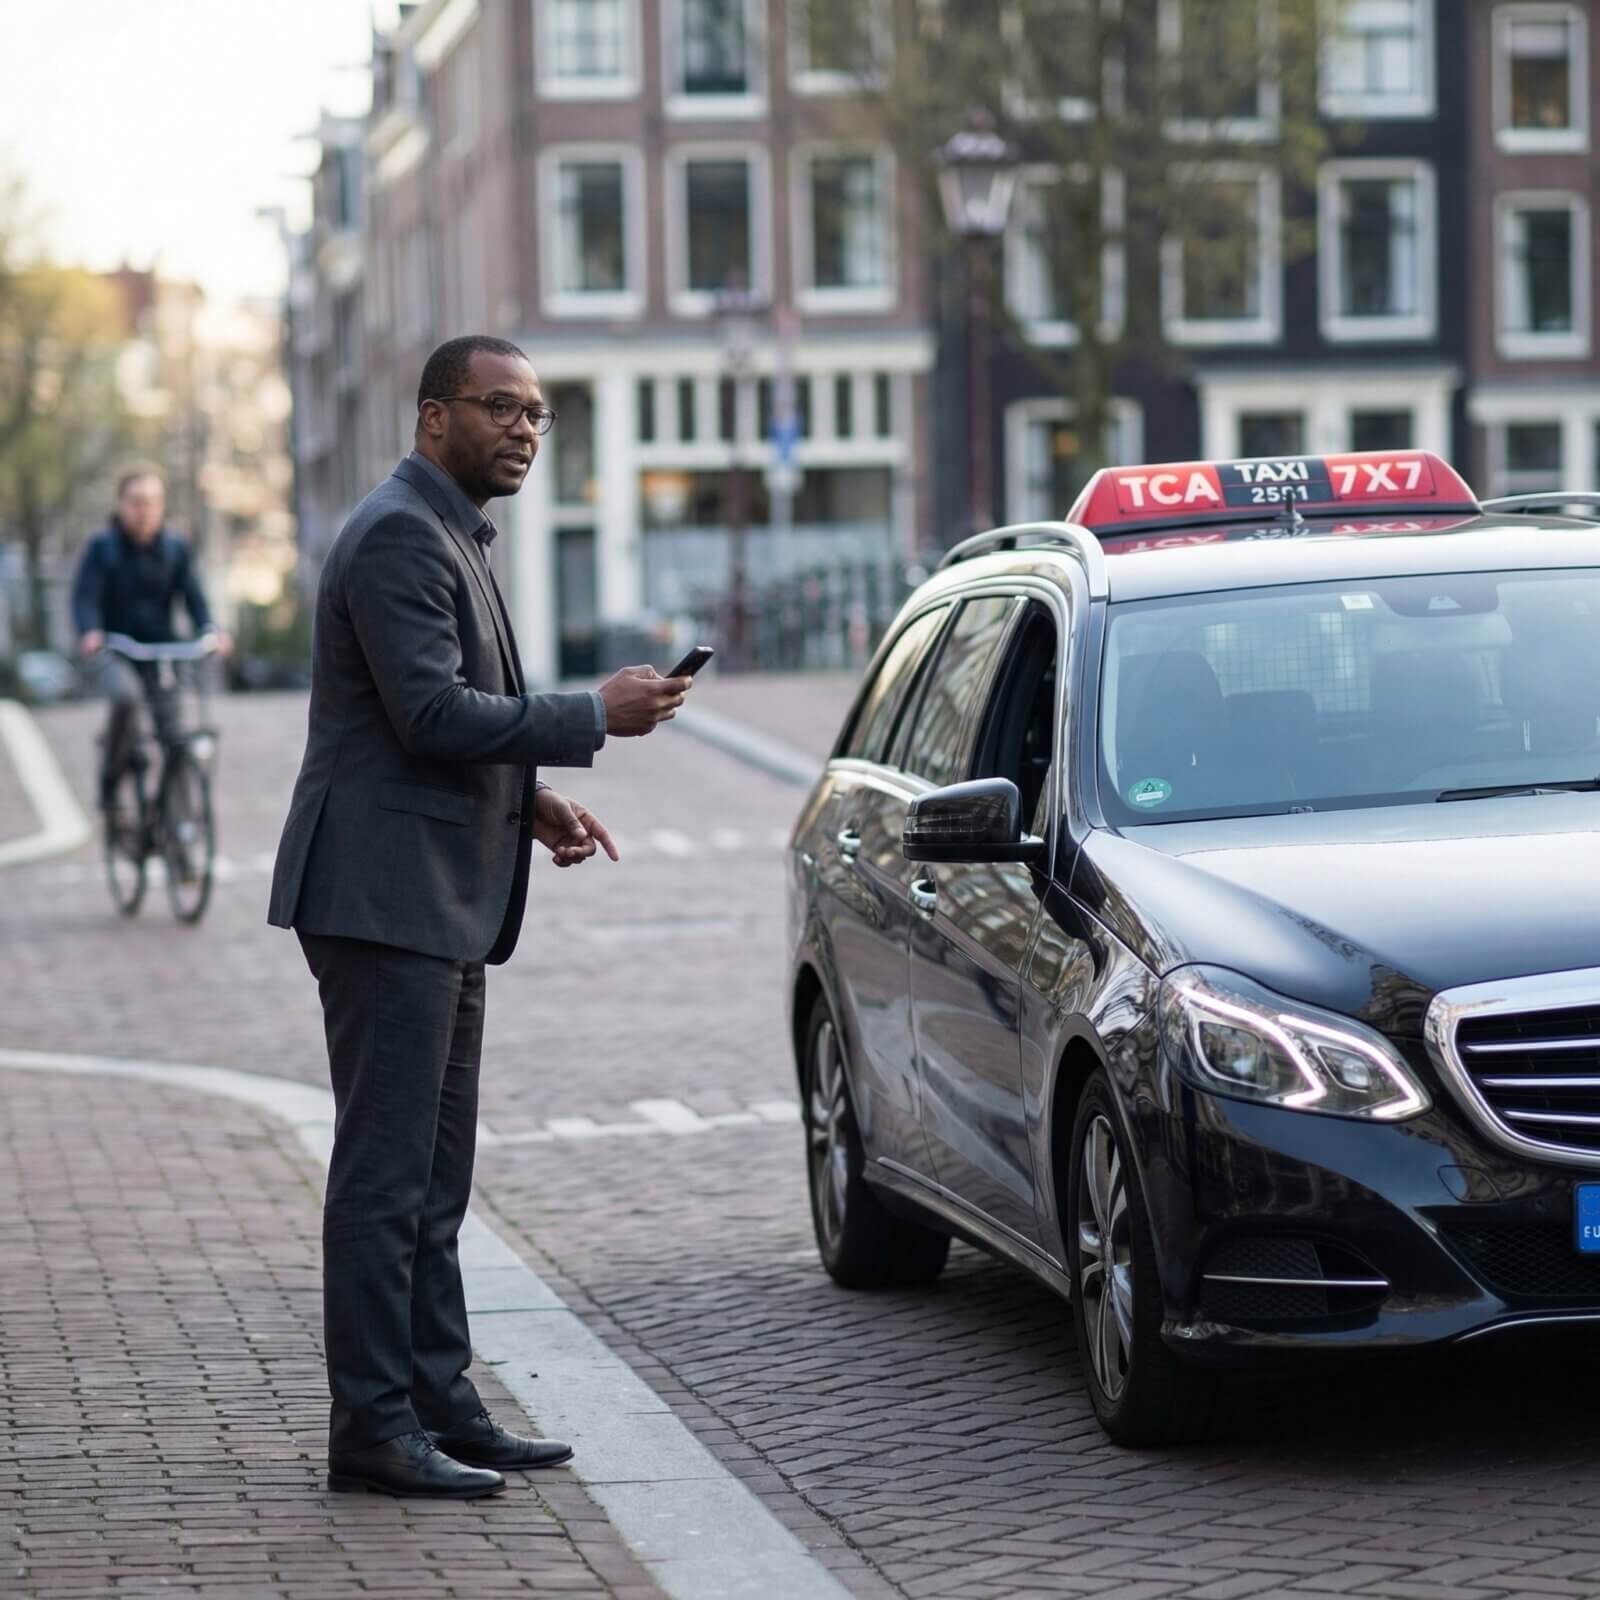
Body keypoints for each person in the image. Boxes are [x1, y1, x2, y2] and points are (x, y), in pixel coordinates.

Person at [267, 334, 692, 1501]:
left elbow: (441, 722)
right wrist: (588, 716)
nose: (523, 430)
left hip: (434, 893)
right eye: (500, 407)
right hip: (382, 895)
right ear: (432, 414)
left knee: (434, 1174)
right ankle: (373, 1426)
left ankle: (440, 1401)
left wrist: (531, 800)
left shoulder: (449, 527)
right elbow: (430, 713)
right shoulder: (404, 532)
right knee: (386, 1175)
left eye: (539, 415)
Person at [71, 468, 228, 808]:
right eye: (138, 502)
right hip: (116, 649)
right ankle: (110, 779)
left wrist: (210, 630)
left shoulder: (175, 549)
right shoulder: (102, 549)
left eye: (154, 503)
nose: (146, 511)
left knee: (175, 732)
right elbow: (84, 598)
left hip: (162, 652)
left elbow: (194, 596)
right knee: (126, 699)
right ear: (122, 505)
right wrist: (90, 632)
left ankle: (176, 821)